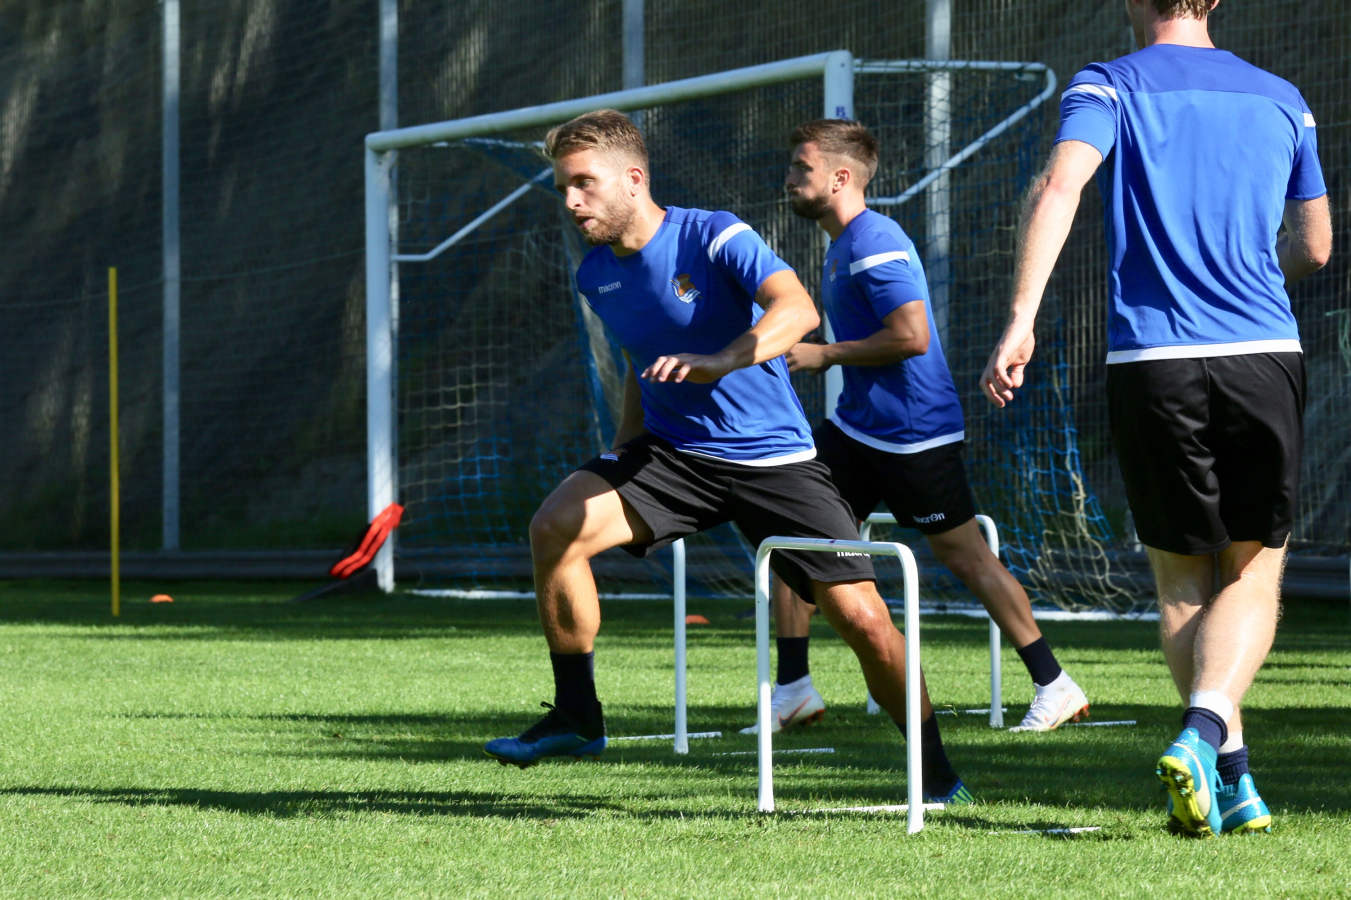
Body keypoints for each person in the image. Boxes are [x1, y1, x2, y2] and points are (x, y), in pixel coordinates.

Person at [483, 108, 974, 805]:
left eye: (584, 184)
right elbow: (639, 361)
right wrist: (621, 451)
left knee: (864, 621)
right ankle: (576, 715)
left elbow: (796, 310)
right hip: (673, 456)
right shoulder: (595, 275)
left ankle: (937, 775)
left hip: (774, 460)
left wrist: (722, 360)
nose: (570, 201)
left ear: (633, 178)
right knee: (554, 526)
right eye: (562, 186)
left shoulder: (713, 234)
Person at [980, 0, 1330, 838]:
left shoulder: (1106, 84)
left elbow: (1060, 184)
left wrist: (1020, 317)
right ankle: (1222, 757)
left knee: (1181, 581)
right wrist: (1256, 270)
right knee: (1253, 569)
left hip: (1153, 363)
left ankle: (1218, 756)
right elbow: (1314, 246)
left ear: (1132, 1)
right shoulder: (1283, 97)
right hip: (1262, 354)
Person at [740, 119, 1088, 737]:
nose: (788, 179)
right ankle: (793, 688)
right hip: (857, 431)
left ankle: (1054, 684)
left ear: (840, 178)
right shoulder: (842, 243)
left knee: (966, 557)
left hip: (912, 437)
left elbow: (912, 336)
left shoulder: (874, 241)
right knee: (794, 536)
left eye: (802, 169)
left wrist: (825, 354)